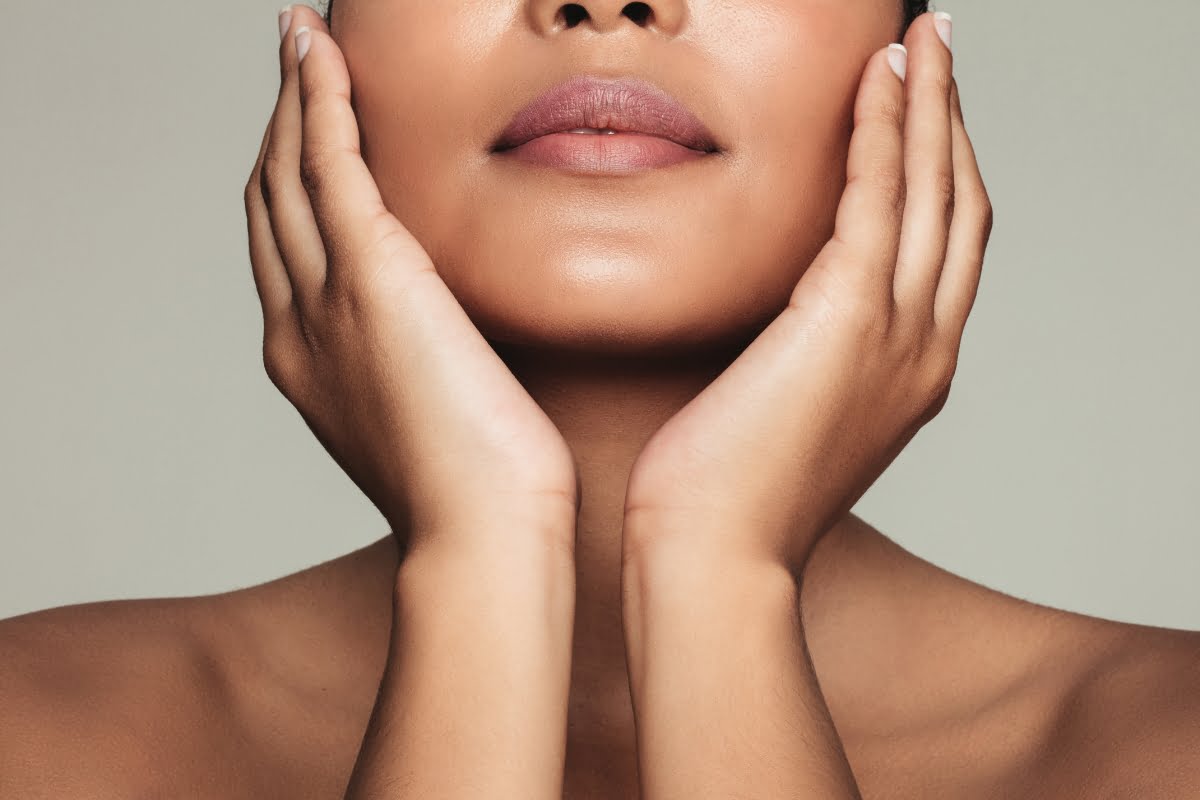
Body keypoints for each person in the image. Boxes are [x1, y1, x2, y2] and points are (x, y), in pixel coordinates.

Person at [2, 0, 1197, 797]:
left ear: (914, 40)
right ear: (325, 35)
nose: (608, 1)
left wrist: (721, 569)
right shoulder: (40, 736)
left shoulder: (1162, 748)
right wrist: (477, 555)